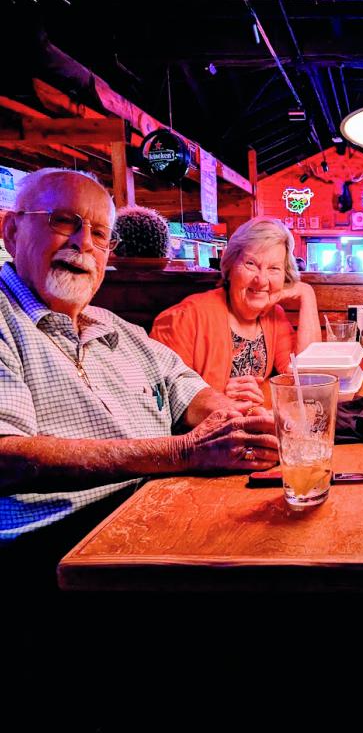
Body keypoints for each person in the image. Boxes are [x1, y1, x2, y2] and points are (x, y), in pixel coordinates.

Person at [0, 168, 278, 586]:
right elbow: (8, 458)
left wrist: (235, 426)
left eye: (100, 234)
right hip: (56, 556)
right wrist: (182, 452)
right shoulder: (6, 320)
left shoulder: (115, 327)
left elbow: (189, 389)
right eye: (63, 221)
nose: (83, 244)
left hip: (155, 515)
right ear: (11, 231)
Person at [151, 216, 321, 405]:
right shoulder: (185, 318)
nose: (262, 280)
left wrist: (307, 294)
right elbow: (160, 398)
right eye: (250, 264)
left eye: (274, 268)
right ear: (230, 266)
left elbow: (304, 374)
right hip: (203, 431)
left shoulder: (273, 315)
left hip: (251, 426)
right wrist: (218, 398)